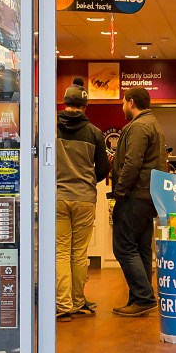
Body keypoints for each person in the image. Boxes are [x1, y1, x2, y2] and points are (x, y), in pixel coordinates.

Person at [55, 79, 109, 320]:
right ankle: (77, 302)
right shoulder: (94, 132)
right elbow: (103, 168)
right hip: (85, 198)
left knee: (60, 251)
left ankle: (63, 305)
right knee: (79, 252)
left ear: (64, 102)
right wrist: (86, 181)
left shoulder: (50, 127)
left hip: (57, 196)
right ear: (85, 106)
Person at [110, 87, 166, 317]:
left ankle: (143, 296)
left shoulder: (139, 126)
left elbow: (132, 163)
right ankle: (139, 298)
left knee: (123, 246)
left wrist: (119, 191)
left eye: (123, 103)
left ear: (131, 102)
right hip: (149, 196)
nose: (123, 107)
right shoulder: (154, 124)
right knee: (141, 247)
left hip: (135, 196)